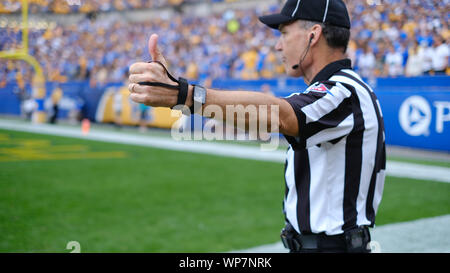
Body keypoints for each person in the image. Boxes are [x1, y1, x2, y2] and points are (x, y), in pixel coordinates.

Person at [128, 0, 385, 253]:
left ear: (313, 35)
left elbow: (282, 115)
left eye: (284, 33)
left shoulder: (345, 90)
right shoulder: (342, 88)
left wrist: (185, 96)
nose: (277, 45)